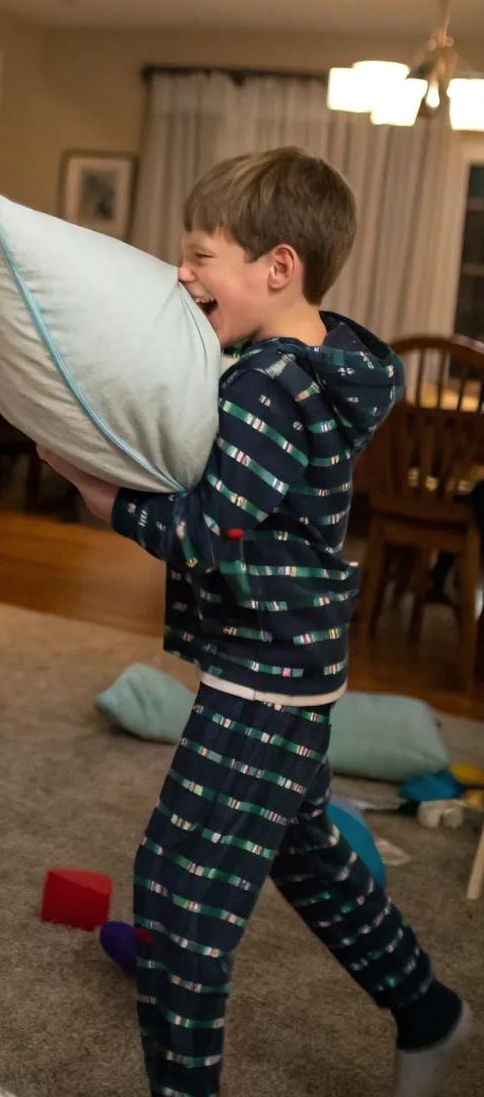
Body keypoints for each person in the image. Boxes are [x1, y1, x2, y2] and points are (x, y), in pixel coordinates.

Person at [39, 148, 469, 1097]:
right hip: (290, 656)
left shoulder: (269, 386)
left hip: (264, 681)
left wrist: (90, 486)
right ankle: (431, 1012)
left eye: (201, 257)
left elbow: (201, 531)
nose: (183, 274)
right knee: (306, 853)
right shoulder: (318, 363)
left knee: (178, 900)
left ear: (277, 268)